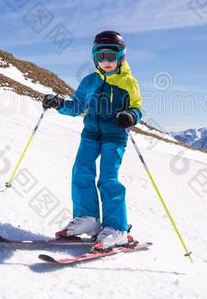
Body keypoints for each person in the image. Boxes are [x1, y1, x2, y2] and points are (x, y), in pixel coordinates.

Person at [42, 30, 142, 251]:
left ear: (121, 56)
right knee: (81, 171)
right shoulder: (90, 81)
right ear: (95, 56)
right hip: (90, 134)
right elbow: (77, 106)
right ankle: (88, 218)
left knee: (108, 179)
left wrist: (130, 116)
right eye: (101, 56)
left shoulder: (128, 83)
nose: (106, 61)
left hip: (114, 137)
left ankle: (117, 229)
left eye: (111, 55)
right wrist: (59, 104)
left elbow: (137, 108)